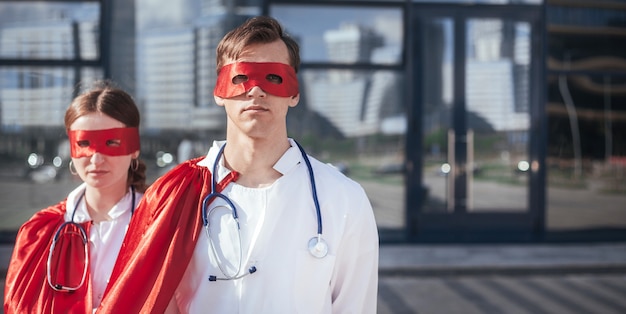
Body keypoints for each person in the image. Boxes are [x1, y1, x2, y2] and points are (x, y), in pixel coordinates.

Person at [98, 16, 379, 313]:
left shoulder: (344, 199)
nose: (256, 91)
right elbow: (152, 302)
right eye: (240, 77)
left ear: (295, 93)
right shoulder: (173, 195)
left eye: (274, 77)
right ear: (219, 92)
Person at [4, 80, 148, 313]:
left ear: (134, 148)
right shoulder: (40, 231)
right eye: (84, 143)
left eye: (111, 142)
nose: (96, 159)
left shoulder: (160, 223)